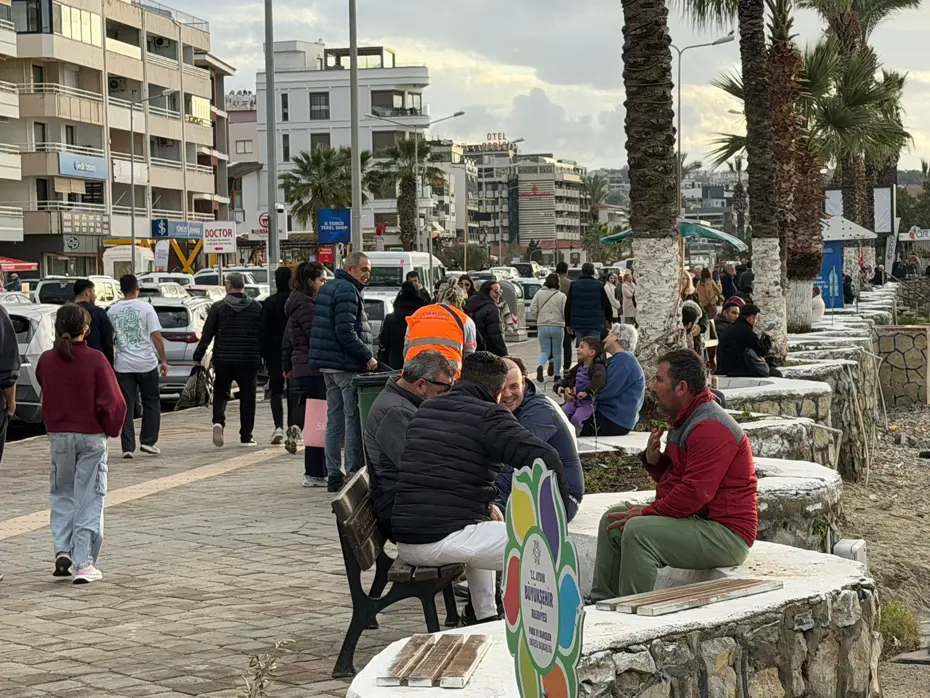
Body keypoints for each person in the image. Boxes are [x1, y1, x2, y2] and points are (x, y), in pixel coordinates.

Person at [392, 351, 571, 624]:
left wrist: (488, 506)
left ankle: (483, 617)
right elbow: (546, 457)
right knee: (541, 549)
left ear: (461, 378)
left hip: (407, 538)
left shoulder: (427, 408)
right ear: (498, 391)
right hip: (438, 538)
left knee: (485, 528)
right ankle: (537, 626)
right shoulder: (490, 417)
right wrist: (558, 518)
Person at [590, 349, 757, 600]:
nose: (653, 387)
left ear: (681, 387)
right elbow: (680, 479)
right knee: (611, 521)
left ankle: (631, 616)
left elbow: (693, 493)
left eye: (659, 380)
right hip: (699, 520)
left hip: (726, 534)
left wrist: (646, 512)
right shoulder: (685, 419)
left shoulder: (709, 427)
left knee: (637, 532)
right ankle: (602, 605)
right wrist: (655, 462)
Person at [36, 304, 126, 585]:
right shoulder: (97, 359)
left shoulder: (46, 360)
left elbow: (45, 384)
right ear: (86, 329)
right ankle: (84, 563)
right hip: (89, 436)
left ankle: (62, 549)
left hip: (59, 435)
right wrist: (111, 429)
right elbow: (115, 403)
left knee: (62, 493)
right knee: (89, 496)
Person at [365, 351, 456, 541]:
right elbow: (425, 470)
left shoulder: (405, 403)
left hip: (412, 505)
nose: (446, 398)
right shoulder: (395, 412)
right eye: (442, 392)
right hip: (406, 513)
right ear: (421, 385)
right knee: (494, 536)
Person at [309, 251, 376, 492]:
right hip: (345, 365)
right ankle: (351, 473)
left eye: (369, 270)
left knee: (334, 419)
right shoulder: (348, 291)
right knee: (351, 418)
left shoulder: (328, 288)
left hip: (328, 364)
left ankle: (333, 472)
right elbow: (345, 330)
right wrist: (367, 356)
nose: (367, 274)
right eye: (363, 270)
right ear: (350, 269)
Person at [497, 357, 583, 521]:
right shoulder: (502, 407)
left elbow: (514, 461)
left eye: (514, 386)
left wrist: (493, 503)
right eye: (502, 388)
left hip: (560, 499)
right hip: (530, 489)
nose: (507, 394)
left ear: (523, 382)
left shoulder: (540, 412)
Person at [195, 271, 263, 447]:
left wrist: (198, 355)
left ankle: (219, 421)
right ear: (243, 287)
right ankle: (246, 436)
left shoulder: (218, 307)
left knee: (221, 392)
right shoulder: (256, 307)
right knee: (248, 397)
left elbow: (207, 334)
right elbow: (264, 335)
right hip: (249, 360)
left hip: (224, 359)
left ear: (229, 286)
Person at [107, 274, 168, 458]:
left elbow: (110, 339)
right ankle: (148, 442)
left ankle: (127, 447)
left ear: (121, 289)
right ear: (137, 289)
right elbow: (156, 336)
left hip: (123, 365)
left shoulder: (112, 311)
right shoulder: (146, 308)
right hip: (146, 363)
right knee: (151, 402)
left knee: (126, 405)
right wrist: (163, 360)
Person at [283, 262, 328, 485]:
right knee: (319, 422)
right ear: (311, 282)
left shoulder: (299, 303)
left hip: (304, 367)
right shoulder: (307, 307)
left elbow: (287, 340)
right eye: (321, 280)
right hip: (313, 367)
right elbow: (316, 337)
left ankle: (317, 470)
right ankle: (315, 472)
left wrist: (287, 366)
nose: (324, 284)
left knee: (316, 418)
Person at [569, 323, 645, 437]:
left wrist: (577, 390)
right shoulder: (619, 359)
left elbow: (605, 389)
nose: (605, 338)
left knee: (563, 424)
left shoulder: (625, 360)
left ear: (616, 336)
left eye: (609, 333)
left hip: (613, 420)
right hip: (611, 416)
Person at [404, 282, 476, 376]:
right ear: (460, 302)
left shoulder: (418, 313)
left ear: (438, 298)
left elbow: (406, 348)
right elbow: (469, 357)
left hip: (413, 376)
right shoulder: (465, 321)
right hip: (447, 379)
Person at [260, 266, 293, 444]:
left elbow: (262, 331)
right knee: (294, 390)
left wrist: (263, 355)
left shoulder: (269, 302)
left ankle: (278, 426)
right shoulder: (296, 300)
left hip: (273, 353)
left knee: (276, 390)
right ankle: (293, 427)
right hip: (295, 352)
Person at [557, 337, 608, 435]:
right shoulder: (579, 366)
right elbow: (568, 377)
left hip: (588, 403)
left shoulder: (598, 366)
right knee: (562, 413)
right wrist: (560, 386)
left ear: (591, 352)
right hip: (575, 401)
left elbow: (599, 380)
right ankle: (562, 435)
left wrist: (587, 391)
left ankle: (575, 436)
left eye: (582, 347)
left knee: (576, 419)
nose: (577, 349)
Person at [716, 303, 783, 378]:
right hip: (736, 370)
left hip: (725, 368)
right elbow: (762, 350)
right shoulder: (745, 330)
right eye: (756, 318)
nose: (756, 321)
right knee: (777, 373)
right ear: (750, 318)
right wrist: (768, 337)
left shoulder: (732, 327)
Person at [378, 281, 426, 370]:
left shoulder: (391, 318)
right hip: (417, 352)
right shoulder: (421, 316)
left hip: (395, 352)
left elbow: (384, 339)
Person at [530, 273, 567, 383]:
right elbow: (565, 311)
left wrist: (539, 317)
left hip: (542, 325)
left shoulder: (539, 293)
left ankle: (541, 365)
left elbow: (533, 309)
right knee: (557, 352)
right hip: (557, 326)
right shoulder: (561, 296)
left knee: (544, 350)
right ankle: (556, 375)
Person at [565, 262, 611, 345]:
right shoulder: (599, 285)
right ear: (593, 272)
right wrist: (609, 319)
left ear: (582, 271)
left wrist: (568, 323)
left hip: (579, 323)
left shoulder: (574, 285)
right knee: (594, 347)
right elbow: (606, 303)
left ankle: (583, 358)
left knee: (582, 347)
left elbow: (568, 305)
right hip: (596, 323)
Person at [73, 279, 114, 365]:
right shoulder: (98, 312)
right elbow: (107, 341)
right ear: (87, 292)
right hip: (95, 362)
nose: (95, 296)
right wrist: (109, 363)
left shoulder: (65, 312)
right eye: (93, 292)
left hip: (71, 360)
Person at [464, 280, 508, 357]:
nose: (499, 294)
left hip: (470, 348)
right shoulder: (491, 308)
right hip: (487, 351)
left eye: (500, 291)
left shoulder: (471, 302)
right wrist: (504, 353)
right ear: (487, 291)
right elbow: (495, 334)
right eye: (496, 291)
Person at [556, 262, 574, 372]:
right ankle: (567, 367)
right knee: (567, 344)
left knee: (555, 344)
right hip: (566, 318)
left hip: (552, 318)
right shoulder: (570, 284)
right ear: (566, 271)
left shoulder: (548, 283)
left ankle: (553, 363)